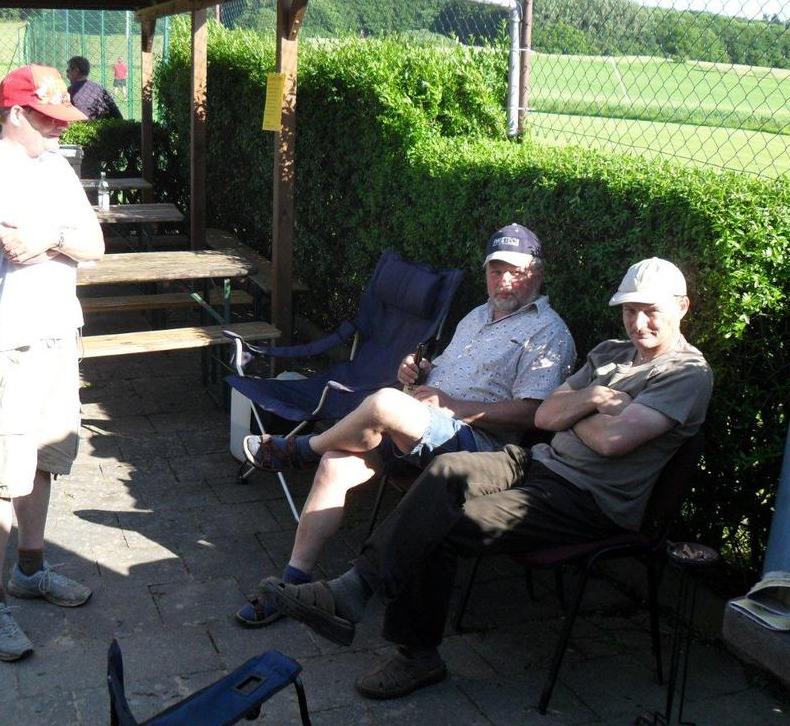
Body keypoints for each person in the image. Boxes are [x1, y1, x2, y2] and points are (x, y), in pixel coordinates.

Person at [262, 257, 713, 700]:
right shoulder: (609, 353)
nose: (638, 323)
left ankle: (409, 647)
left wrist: (572, 412)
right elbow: (545, 415)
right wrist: (593, 398)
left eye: (650, 310)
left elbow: (612, 441)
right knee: (445, 471)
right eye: (630, 310)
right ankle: (355, 591)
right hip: (536, 461)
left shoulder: (686, 373)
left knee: (441, 527)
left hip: (586, 500)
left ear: (682, 306)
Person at [236, 224, 577, 627]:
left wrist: (455, 406)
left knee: (384, 403)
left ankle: (297, 450)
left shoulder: (548, 332)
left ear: (537, 274)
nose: (503, 280)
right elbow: (443, 373)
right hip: (423, 425)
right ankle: (294, 583)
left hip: (479, 447)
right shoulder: (476, 316)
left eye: (515, 272)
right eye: (495, 270)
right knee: (334, 463)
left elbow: (531, 414)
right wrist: (419, 372)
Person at [0, 64, 105, 662]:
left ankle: (30, 570)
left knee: (44, 460)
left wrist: (50, 238)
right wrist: (58, 234)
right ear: (16, 113)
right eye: (48, 118)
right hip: (5, 339)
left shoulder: (57, 166)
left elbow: (94, 246)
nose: (60, 129)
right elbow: (12, 243)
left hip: (58, 333)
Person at [65, 56, 122, 120]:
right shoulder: (101, 89)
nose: (67, 75)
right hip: (103, 124)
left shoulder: (69, 92)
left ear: (76, 71)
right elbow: (118, 116)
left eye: (68, 71)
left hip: (81, 125)